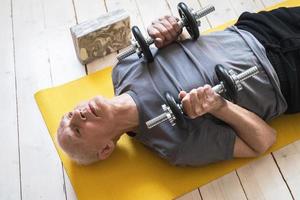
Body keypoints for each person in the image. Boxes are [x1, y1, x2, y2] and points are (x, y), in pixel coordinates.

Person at [56, 7, 300, 166]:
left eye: (69, 115)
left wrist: (171, 31)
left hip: (256, 29)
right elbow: (264, 140)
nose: (78, 115)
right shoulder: (175, 145)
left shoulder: (124, 67)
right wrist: (219, 106)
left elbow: (187, 47)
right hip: (287, 78)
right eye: (77, 129)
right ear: (106, 148)